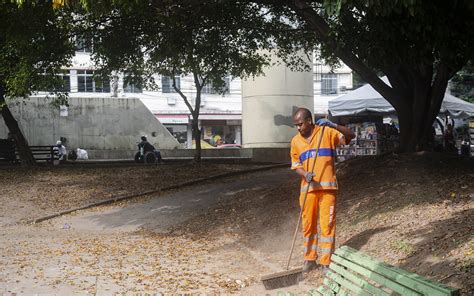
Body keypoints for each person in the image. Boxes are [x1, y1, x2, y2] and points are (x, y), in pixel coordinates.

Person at [290, 108, 355, 274]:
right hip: (308, 190)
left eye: (300, 124)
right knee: (308, 226)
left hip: (327, 189)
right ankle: (310, 259)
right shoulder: (295, 141)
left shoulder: (326, 132)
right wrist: (305, 174)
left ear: (309, 121)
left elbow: (350, 136)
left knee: (327, 226)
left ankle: (326, 261)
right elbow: (296, 165)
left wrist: (334, 125)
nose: (298, 128)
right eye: (296, 125)